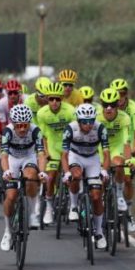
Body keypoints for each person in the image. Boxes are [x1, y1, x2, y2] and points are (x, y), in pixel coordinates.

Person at [61, 103, 110, 250]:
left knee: (96, 196)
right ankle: (74, 206)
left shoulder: (100, 128)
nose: (88, 125)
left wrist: (105, 170)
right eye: (84, 122)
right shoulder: (70, 129)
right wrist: (66, 172)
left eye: (91, 121)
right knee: (76, 175)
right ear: (78, 120)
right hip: (75, 157)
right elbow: (64, 155)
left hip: (93, 158)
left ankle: (99, 232)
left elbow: (107, 153)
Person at [0, 104, 46, 251]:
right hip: (12, 159)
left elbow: (41, 154)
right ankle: (7, 231)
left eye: (25, 125)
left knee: (31, 177)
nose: (22, 129)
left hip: (28, 156)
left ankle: (32, 213)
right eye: (18, 125)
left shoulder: (35, 131)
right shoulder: (7, 131)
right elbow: (4, 155)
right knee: (11, 196)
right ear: (13, 124)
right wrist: (6, 171)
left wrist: (42, 171)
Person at [34, 82, 76, 225]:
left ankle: (73, 204)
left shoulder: (70, 111)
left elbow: (76, 133)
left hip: (68, 145)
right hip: (52, 145)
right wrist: (45, 153)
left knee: (73, 176)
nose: (54, 102)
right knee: (50, 177)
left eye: (57, 99)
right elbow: (43, 136)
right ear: (47, 99)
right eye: (51, 99)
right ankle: (49, 207)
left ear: (61, 99)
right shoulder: (42, 113)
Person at [97, 88, 135, 232]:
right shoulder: (96, 117)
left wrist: (129, 160)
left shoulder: (124, 118)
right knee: (99, 183)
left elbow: (127, 143)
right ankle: (98, 209)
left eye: (112, 105)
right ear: (101, 104)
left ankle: (119, 194)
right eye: (105, 105)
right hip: (100, 148)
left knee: (120, 165)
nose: (109, 108)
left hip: (116, 148)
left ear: (117, 105)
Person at [110, 78, 135, 159]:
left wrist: (133, 153)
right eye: (117, 94)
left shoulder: (133, 108)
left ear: (126, 94)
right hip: (112, 145)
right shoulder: (108, 107)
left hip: (127, 146)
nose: (120, 97)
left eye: (122, 94)